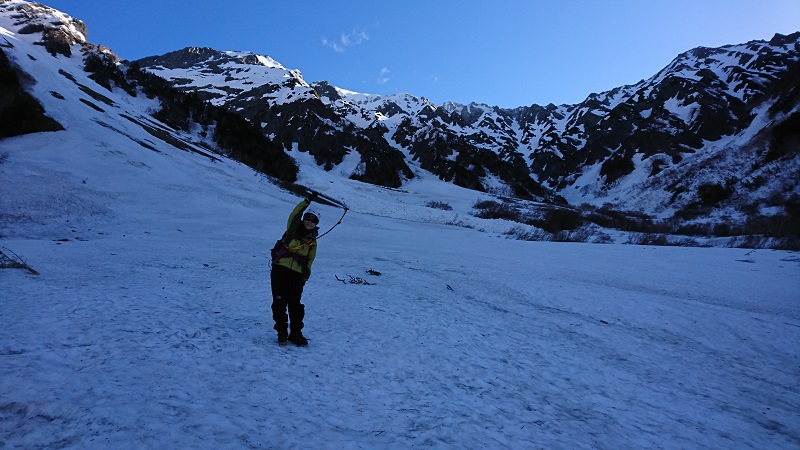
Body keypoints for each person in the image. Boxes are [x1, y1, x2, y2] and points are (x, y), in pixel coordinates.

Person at [270, 195, 319, 346]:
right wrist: (306, 202)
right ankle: (282, 332)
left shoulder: (312, 242)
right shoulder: (292, 229)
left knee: (295, 304)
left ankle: (296, 333)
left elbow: (309, 261)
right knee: (279, 302)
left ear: (316, 224)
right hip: (280, 269)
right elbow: (294, 214)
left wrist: (304, 278)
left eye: (313, 220)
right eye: (307, 219)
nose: (309, 222)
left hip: (297, 275)